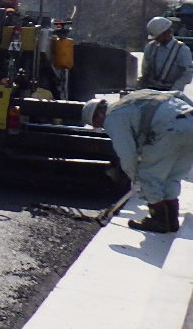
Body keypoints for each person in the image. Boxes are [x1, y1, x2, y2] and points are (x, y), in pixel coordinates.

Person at [83, 90, 193, 233]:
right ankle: (171, 220)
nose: (101, 127)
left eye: (97, 124)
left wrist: (135, 177)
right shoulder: (134, 98)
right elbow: (178, 94)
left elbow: (127, 153)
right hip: (189, 123)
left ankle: (159, 220)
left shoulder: (112, 117)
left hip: (168, 130)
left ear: (98, 115)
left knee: (148, 175)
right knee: (171, 176)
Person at [137, 16, 192, 92]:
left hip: (171, 91)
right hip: (150, 90)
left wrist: (174, 90)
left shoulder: (182, 50)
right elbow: (146, 70)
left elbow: (187, 74)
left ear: (167, 33)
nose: (156, 39)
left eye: (158, 36)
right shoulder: (150, 47)